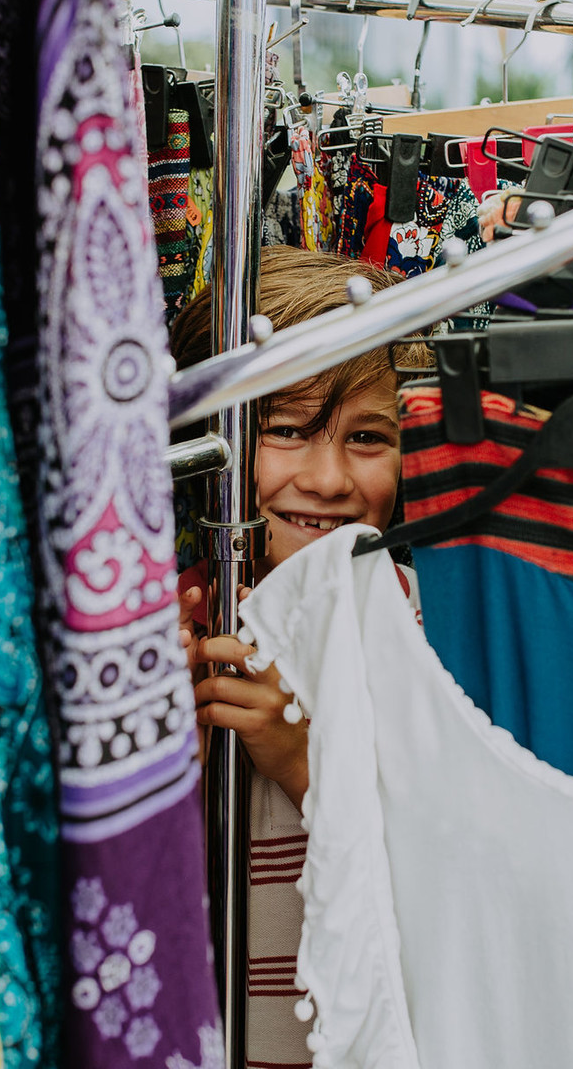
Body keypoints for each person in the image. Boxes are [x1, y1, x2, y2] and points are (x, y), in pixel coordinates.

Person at [168, 246, 429, 1066]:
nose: (325, 478)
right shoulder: (170, 621)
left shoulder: (428, 628)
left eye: (366, 438)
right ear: (210, 440)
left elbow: (456, 875)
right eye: (284, 430)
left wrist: (305, 761)